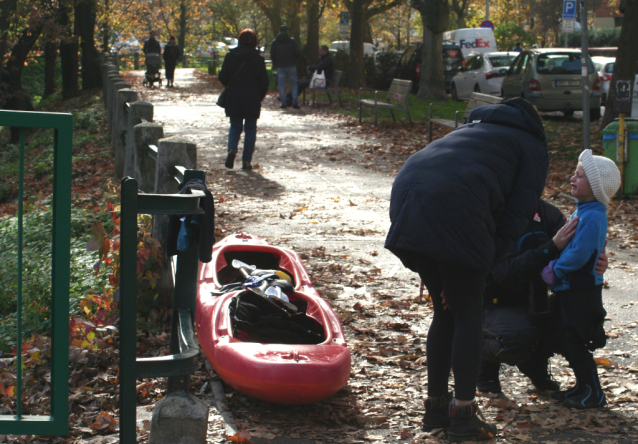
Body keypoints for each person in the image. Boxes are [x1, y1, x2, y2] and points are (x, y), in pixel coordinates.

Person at [385, 97, 548, 442]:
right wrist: (484, 264)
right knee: (468, 314)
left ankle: (435, 408)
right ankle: (462, 413)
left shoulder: (474, 128)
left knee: (445, 313)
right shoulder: (530, 143)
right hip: (457, 209)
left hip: (408, 199)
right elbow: (521, 211)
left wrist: (464, 268)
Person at [478, 199, 608, 395]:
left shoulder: (548, 213)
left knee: (575, 327)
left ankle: (535, 364)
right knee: (517, 338)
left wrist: (596, 261)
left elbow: (576, 250)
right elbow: (503, 274)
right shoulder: (494, 213)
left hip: (537, 302)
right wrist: (551, 247)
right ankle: (478, 356)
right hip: (494, 301)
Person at [540, 150, 621, 409]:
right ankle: (582, 385)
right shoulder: (584, 211)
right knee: (565, 337)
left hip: (581, 290)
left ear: (596, 188)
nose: (573, 178)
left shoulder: (593, 215)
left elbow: (579, 253)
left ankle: (593, 392)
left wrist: (554, 269)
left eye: (580, 175)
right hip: (572, 288)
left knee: (575, 339)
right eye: (575, 173)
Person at [218, 29, 269, 170]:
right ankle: (246, 160)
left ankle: (232, 149)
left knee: (235, 126)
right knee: (251, 128)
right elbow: (264, 81)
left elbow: (223, 76)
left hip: (234, 96)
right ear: (255, 42)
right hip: (252, 97)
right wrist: (260, 96)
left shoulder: (230, 56)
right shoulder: (258, 59)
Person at [270, 25, 301, 109]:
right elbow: (297, 52)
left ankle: (283, 102)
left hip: (280, 65)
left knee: (281, 84)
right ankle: (294, 102)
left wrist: (276, 61)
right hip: (291, 64)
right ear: (287, 31)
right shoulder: (292, 41)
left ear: (279, 31)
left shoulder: (275, 42)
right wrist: (294, 59)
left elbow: (272, 54)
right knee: (294, 83)